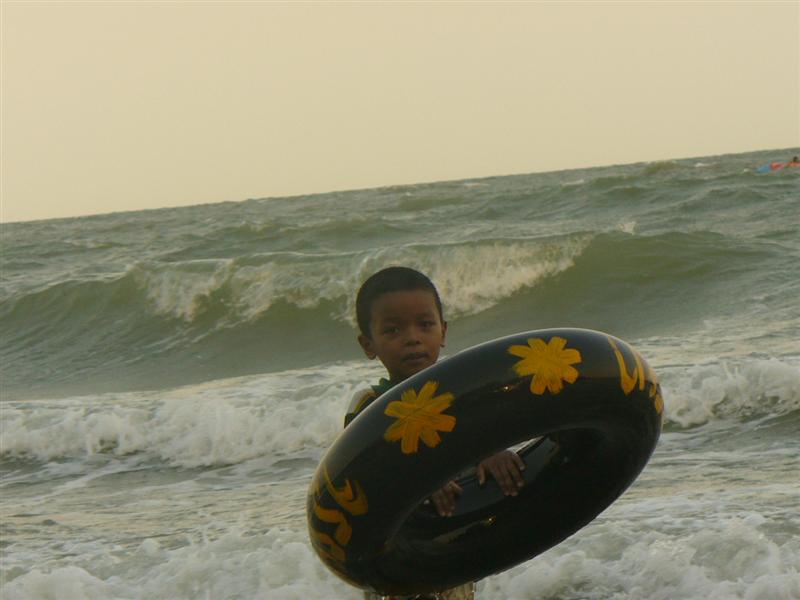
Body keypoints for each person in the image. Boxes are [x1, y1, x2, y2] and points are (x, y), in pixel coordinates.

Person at [345, 266, 526, 600]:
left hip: (451, 551)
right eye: (393, 329)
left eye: (425, 325)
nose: (412, 338)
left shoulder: (462, 398)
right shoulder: (369, 409)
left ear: (443, 331)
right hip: (395, 559)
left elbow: (474, 438)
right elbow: (364, 473)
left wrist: (491, 454)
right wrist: (420, 480)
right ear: (368, 344)